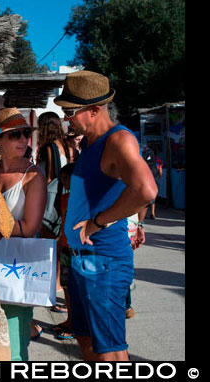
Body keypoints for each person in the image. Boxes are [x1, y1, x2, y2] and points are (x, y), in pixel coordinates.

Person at [55, 70, 157, 361]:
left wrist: (99, 221)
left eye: (70, 111)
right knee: (86, 340)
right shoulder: (88, 143)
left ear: (94, 110)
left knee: (110, 353)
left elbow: (146, 189)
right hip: (81, 259)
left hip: (104, 261)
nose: (66, 118)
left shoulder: (119, 140)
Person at [0, 107, 47, 361]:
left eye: (26, 134)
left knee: (14, 344)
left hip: (14, 266)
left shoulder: (33, 175)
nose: (24, 140)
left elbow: (30, 227)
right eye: (16, 135)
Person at [35, 111, 78, 297]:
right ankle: (61, 283)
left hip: (53, 196)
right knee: (63, 241)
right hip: (68, 195)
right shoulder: (68, 146)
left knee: (49, 241)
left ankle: (55, 282)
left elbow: (50, 175)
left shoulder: (48, 148)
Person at [52, 162, 76, 340]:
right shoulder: (63, 198)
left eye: (66, 178)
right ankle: (70, 319)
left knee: (76, 289)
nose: (64, 181)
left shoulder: (82, 199)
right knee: (67, 287)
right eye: (63, 178)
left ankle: (76, 324)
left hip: (77, 249)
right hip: (66, 247)